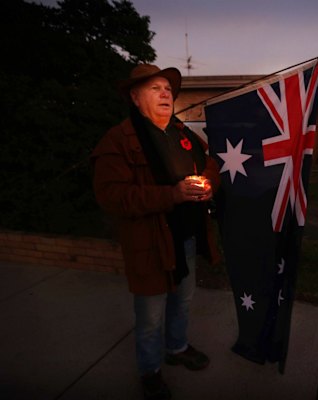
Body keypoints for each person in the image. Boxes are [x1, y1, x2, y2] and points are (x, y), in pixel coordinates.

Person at [91, 64, 221, 400]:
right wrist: (172, 195)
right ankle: (150, 370)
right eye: (154, 88)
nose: (165, 93)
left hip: (187, 235)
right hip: (149, 242)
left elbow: (210, 164)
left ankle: (176, 347)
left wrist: (208, 186)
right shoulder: (119, 139)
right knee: (150, 314)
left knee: (183, 299)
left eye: (167, 88)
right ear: (135, 98)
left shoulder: (182, 133)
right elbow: (112, 196)